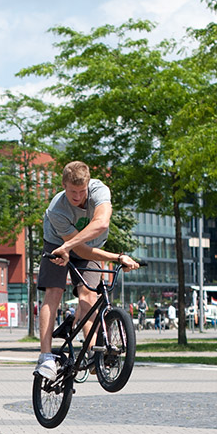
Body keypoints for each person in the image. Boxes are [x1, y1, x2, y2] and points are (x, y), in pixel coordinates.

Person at [35, 161, 140, 380]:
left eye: (82, 191)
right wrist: (118, 257)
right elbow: (81, 250)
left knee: (90, 294)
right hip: (57, 243)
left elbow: (101, 224)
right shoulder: (57, 209)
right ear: (64, 186)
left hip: (89, 246)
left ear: (88, 184)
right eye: (72, 191)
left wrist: (116, 257)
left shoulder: (99, 190)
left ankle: (92, 352)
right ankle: (45, 356)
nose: (78, 196)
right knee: (54, 292)